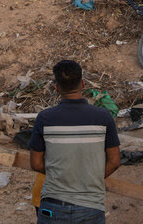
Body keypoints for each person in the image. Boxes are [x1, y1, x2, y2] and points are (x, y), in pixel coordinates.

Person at [28, 59, 121, 224]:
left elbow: (36, 164)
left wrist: (60, 176)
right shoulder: (103, 117)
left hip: (53, 206)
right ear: (83, 84)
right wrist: (90, 179)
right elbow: (114, 161)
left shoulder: (45, 118)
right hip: (91, 207)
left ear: (56, 88)